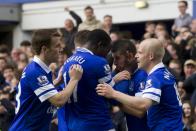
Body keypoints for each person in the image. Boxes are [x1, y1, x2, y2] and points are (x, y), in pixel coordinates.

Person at [96, 38, 183, 130]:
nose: (136, 56)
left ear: (151, 56)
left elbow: (142, 106)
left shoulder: (155, 77)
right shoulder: (161, 73)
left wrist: (113, 94)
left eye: (140, 53)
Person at [9, 29, 83, 131]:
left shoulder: (40, 69)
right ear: (44, 49)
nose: (61, 49)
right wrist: (74, 79)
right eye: (57, 46)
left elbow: (37, 93)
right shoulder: (35, 72)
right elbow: (58, 101)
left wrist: (56, 82)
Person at [62, 29, 114, 131]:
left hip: (74, 125)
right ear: (100, 45)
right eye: (107, 50)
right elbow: (112, 96)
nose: (106, 54)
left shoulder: (67, 62)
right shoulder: (99, 61)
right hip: (98, 123)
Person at [111, 40, 149, 131]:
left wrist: (115, 100)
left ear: (130, 56)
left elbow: (140, 112)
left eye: (117, 58)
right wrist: (113, 81)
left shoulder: (144, 74)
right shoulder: (115, 76)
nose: (114, 63)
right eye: (113, 58)